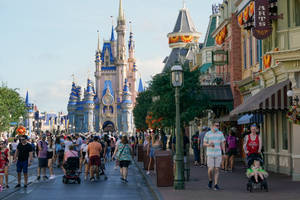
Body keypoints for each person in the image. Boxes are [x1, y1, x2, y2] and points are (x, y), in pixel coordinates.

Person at [203, 121, 225, 191]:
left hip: (218, 153)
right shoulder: (208, 134)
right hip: (210, 154)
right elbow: (204, 143)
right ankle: (210, 180)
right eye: (216, 125)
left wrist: (224, 153)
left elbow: (223, 143)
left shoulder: (220, 133)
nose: (218, 127)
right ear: (212, 126)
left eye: (218, 126)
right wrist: (209, 145)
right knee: (210, 169)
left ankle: (216, 184)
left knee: (217, 169)